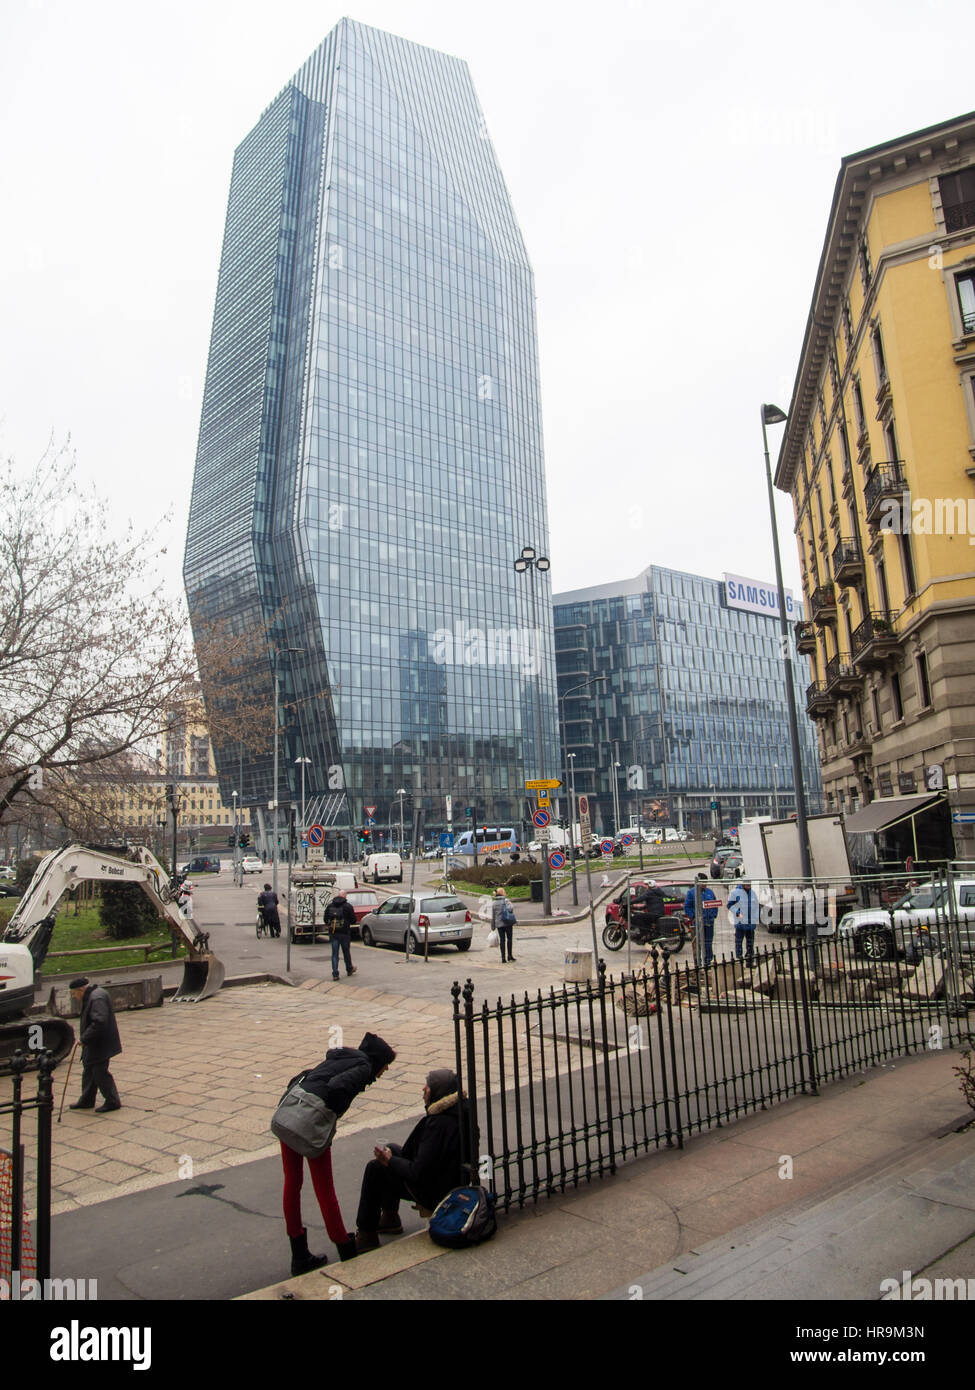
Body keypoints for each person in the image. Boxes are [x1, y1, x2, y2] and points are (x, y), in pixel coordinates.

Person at [279, 1031, 396, 1273]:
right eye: (385, 1067)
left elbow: (303, 1077)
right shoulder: (363, 1067)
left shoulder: (341, 1057)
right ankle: (344, 1245)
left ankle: (298, 1254)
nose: (384, 1072)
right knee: (325, 1188)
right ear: (378, 1061)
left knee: (293, 1182)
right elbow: (336, 1089)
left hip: (289, 1113)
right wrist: (328, 1119)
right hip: (311, 1123)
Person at [354, 1068, 471, 1253]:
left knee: (376, 1168)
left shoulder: (438, 1124)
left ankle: (366, 1234)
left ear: (436, 1092)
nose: (423, 1089)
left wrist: (390, 1161)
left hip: (435, 1190)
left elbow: (418, 1172)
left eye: (428, 1086)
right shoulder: (460, 1113)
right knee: (392, 1148)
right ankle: (390, 1218)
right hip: (452, 1179)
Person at [68, 977, 122, 1113]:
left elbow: (99, 1022)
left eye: (74, 993)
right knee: (89, 1070)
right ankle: (87, 1099)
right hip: (95, 1042)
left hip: (100, 1043)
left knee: (99, 1072)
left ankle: (112, 1101)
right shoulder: (93, 995)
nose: (74, 997)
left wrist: (84, 1038)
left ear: (81, 990)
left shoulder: (96, 998)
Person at [684, 873, 719, 966]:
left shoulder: (709, 892)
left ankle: (708, 961)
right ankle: (698, 962)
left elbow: (715, 904)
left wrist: (714, 914)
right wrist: (693, 917)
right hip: (698, 923)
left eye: (706, 882)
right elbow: (687, 906)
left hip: (709, 922)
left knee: (708, 942)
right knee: (699, 943)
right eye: (703, 883)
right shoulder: (692, 893)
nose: (704, 885)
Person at [727, 878, 761, 965]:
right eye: (747, 884)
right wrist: (737, 913)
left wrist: (756, 917)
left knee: (750, 943)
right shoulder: (735, 893)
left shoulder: (752, 893)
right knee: (739, 942)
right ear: (742, 884)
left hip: (750, 923)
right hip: (740, 923)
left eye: (749, 884)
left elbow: (756, 905)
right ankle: (739, 961)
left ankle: (749, 961)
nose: (748, 886)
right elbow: (730, 905)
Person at [325, 892, 357, 980]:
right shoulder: (348, 906)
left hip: (333, 933)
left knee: (334, 954)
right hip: (344, 933)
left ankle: (335, 973)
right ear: (345, 896)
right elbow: (353, 920)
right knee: (346, 952)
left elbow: (325, 919)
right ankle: (349, 969)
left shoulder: (330, 906)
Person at [491, 886, 515, 963]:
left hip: (499, 924)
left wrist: (493, 926)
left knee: (502, 940)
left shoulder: (494, 903)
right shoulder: (506, 901)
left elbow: (493, 916)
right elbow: (511, 908)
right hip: (507, 923)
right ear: (502, 893)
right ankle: (510, 956)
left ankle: (503, 958)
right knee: (509, 939)